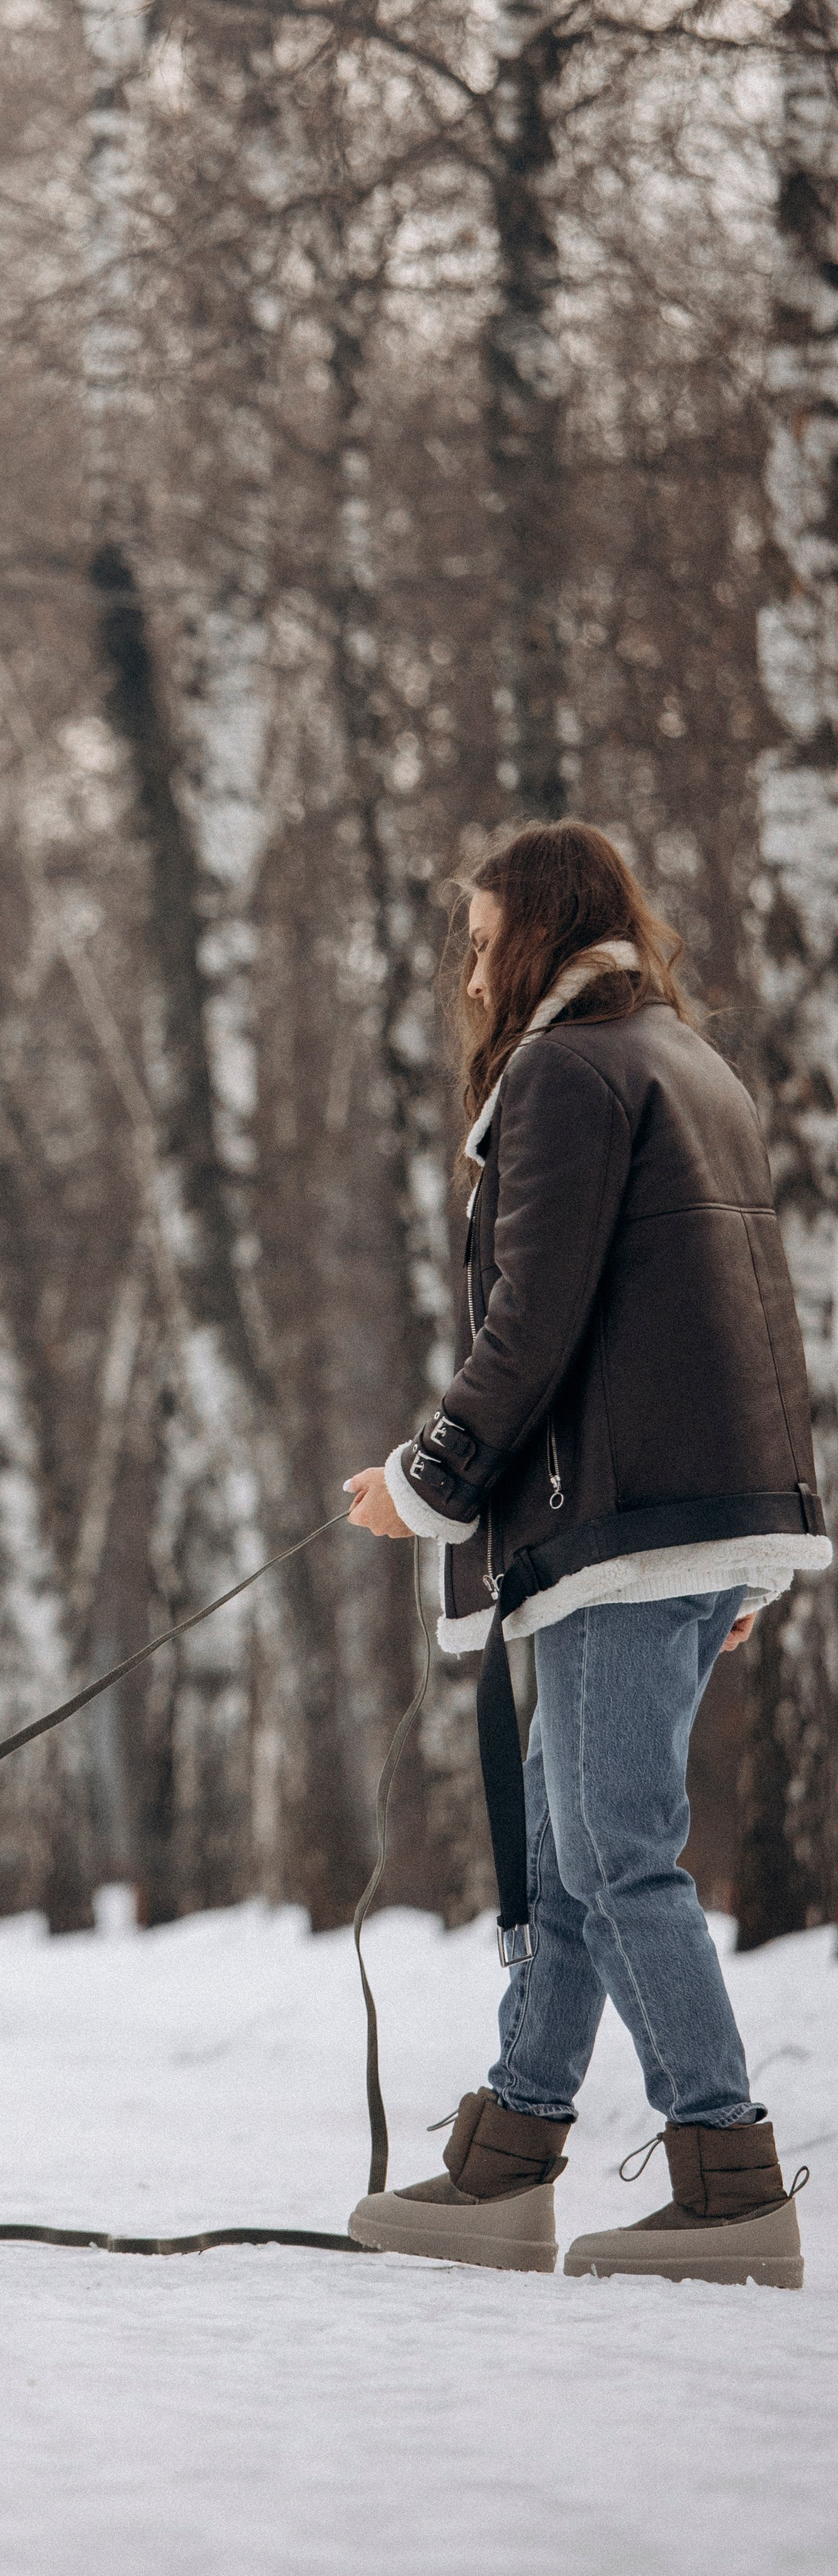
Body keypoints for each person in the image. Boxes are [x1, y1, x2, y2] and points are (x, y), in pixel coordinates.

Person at [344, 820, 828, 2287]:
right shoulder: (688, 1062)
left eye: (486, 941)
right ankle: (509, 2162)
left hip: (626, 1523)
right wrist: (747, 1545)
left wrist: (426, 1481)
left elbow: (532, 1324)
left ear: (545, 935)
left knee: (614, 1854)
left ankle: (729, 2180)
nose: (471, 972)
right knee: (569, 1858)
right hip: (688, 1515)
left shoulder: (566, 1070)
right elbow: (744, 1317)